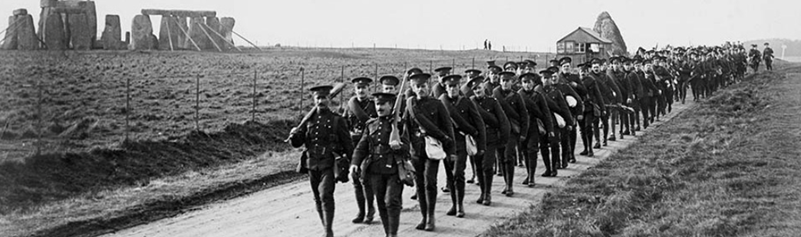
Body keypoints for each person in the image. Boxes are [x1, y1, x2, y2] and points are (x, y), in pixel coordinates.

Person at [288, 85, 353, 237]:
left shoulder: (337, 120)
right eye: (318, 98)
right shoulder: (308, 120)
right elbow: (299, 142)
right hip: (312, 163)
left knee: (325, 195)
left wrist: (354, 163)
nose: (321, 101)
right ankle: (325, 228)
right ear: (314, 100)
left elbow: (348, 144)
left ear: (329, 99)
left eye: (324, 98)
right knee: (317, 197)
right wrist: (294, 135)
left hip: (329, 163)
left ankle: (328, 230)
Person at [349, 92, 409, 237]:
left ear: (390, 105)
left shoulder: (399, 125)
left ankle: (393, 234)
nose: (379, 107)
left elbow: (407, 147)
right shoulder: (371, 125)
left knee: (391, 201)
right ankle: (388, 233)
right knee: (381, 202)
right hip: (375, 169)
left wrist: (399, 146)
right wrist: (355, 163)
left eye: (382, 104)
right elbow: (362, 146)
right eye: (377, 104)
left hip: (394, 168)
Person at [402, 73, 455, 231]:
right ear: (412, 88)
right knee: (419, 185)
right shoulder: (409, 105)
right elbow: (406, 129)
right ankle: (424, 216)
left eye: (423, 86)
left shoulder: (437, 104)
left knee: (430, 182)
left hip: (432, 149)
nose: (421, 89)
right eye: (417, 86)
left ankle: (431, 217)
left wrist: (451, 150)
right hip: (416, 151)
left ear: (428, 86)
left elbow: (447, 127)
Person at [439, 74, 486, 218]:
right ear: (445, 88)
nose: (452, 89)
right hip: (447, 144)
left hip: (461, 143)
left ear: (459, 87)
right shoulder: (441, 103)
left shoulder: (466, 102)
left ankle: (460, 205)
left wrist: (481, 145)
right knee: (449, 175)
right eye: (449, 87)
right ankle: (454, 204)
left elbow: (479, 123)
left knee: (458, 173)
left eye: (455, 86)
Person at [469, 78, 509, 205]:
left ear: (484, 88)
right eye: (474, 89)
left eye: (479, 88)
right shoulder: (470, 102)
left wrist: (503, 139)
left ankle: (488, 193)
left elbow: (502, 120)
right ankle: (482, 192)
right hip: (477, 139)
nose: (477, 91)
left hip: (490, 138)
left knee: (487, 166)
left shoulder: (492, 102)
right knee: (479, 166)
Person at [343, 77, 377, 224]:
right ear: (355, 90)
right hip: (353, 146)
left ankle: (370, 210)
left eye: (364, 88)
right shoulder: (350, 106)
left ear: (368, 89)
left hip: (368, 146)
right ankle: (361, 211)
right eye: (358, 88)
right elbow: (345, 125)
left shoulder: (374, 105)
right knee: (356, 179)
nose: (361, 91)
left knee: (365, 179)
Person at [493, 71, 528, 195]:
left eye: (507, 81)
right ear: (500, 81)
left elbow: (524, 115)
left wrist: (523, 132)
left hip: (512, 131)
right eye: (503, 80)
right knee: (501, 158)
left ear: (512, 82)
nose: (505, 83)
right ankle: (506, 182)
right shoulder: (495, 94)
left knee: (508, 157)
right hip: (499, 130)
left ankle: (510, 185)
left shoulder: (516, 96)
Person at [518, 72, 554, 184]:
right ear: (521, 84)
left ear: (533, 83)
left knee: (532, 149)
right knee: (524, 150)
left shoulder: (539, 96)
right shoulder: (518, 95)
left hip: (534, 126)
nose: (527, 85)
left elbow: (546, 113)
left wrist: (550, 129)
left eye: (529, 82)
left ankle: (531, 177)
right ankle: (528, 173)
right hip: (522, 127)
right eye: (524, 82)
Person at [577, 63, 605, 157]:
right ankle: (585, 148)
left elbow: (598, 94)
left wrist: (602, 108)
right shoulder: (576, 81)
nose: (582, 73)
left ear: (587, 72)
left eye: (584, 71)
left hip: (589, 107)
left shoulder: (591, 81)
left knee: (588, 127)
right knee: (582, 129)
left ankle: (590, 148)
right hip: (579, 108)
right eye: (581, 71)